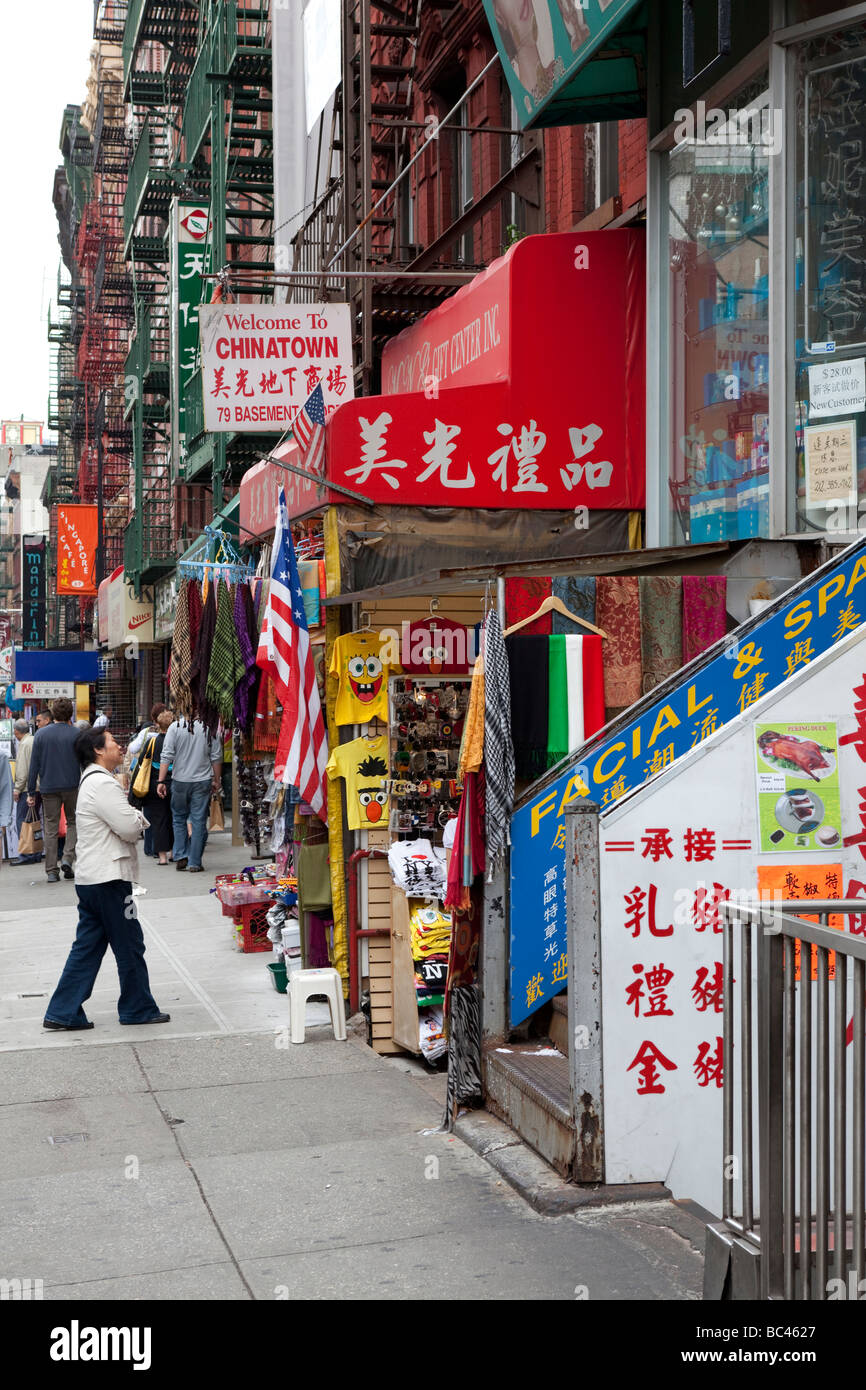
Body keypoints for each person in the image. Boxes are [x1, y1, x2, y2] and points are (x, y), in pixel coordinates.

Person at [42, 727, 170, 1031]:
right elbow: (128, 827)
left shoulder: (91, 782)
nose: (119, 747)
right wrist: (139, 819)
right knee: (129, 943)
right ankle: (137, 1007)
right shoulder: (102, 784)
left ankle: (63, 1010)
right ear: (99, 750)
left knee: (87, 946)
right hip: (109, 878)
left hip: (93, 878)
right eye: (113, 742)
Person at [157, 717, 222, 873]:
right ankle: (194, 862)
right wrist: (217, 780)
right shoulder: (209, 727)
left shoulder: (175, 727)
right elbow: (216, 757)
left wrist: (160, 781)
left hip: (179, 780)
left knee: (179, 818)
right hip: (202, 781)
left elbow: (166, 755)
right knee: (198, 821)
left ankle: (180, 855)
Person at [27, 697, 80, 883]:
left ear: (53, 714)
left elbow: (34, 765)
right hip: (72, 785)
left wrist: (31, 791)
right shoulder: (76, 733)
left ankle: (51, 870)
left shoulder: (41, 735)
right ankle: (67, 857)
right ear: (70, 714)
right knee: (73, 822)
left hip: (48, 787)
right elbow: (85, 761)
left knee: (50, 826)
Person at [138, 710, 175, 865]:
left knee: (159, 820)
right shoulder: (176, 741)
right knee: (175, 819)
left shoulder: (152, 742)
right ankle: (174, 852)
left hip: (155, 784)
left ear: (158, 725)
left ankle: (162, 857)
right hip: (174, 782)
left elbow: (141, 761)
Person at [11, 718, 41, 866]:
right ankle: (35, 853)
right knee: (34, 821)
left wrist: (17, 789)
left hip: (27, 789)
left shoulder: (24, 744)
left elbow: (22, 770)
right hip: (38, 787)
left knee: (23, 822)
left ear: (16, 732)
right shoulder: (35, 740)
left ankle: (26, 854)